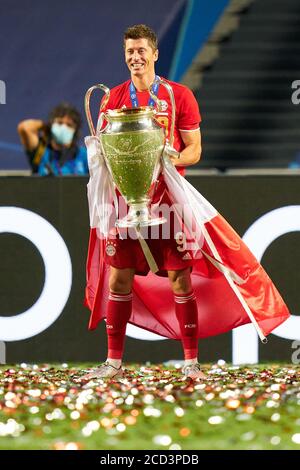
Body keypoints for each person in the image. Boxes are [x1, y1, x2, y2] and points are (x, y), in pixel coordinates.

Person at [81, 25, 290, 382]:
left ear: (155, 54)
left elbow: (195, 149)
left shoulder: (178, 97)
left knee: (180, 279)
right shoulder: (112, 99)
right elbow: (104, 150)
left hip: (167, 203)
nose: (135, 57)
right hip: (124, 204)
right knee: (118, 278)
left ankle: (191, 362)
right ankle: (113, 363)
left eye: (141, 50)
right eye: (130, 51)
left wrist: (172, 156)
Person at [17, 102, 88, 175]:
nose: (63, 128)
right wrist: (45, 127)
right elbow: (25, 127)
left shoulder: (83, 155)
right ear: (52, 125)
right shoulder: (41, 150)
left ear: (75, 131)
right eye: (59, 123)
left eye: (69, 125)